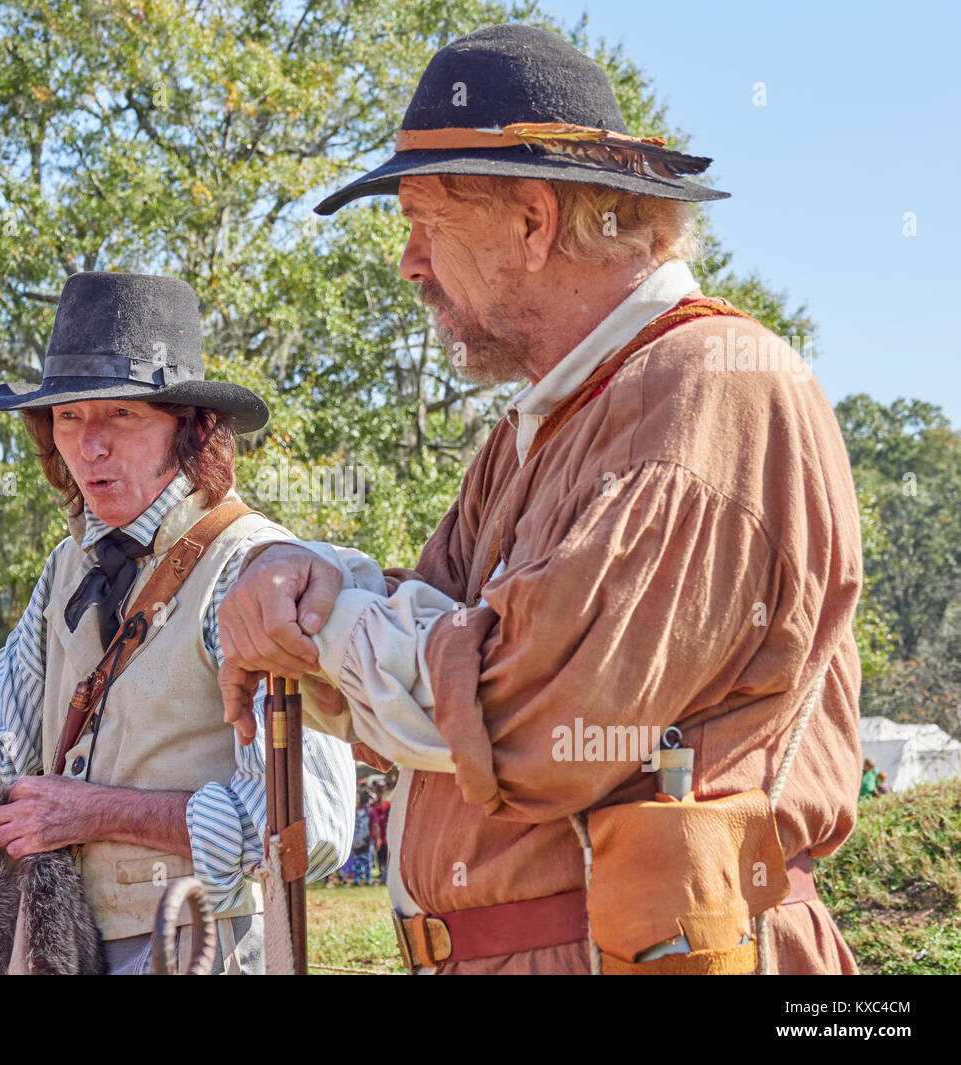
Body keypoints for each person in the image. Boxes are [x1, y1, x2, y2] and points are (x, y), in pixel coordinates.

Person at [217, 24, 863, 975]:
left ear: (532, 219)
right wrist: (305, 584)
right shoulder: (544, 421)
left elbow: (526, 721)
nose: (409, 260)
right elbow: (432, 631)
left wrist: (313, 627)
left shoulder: (716, 384)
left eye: (426, 219)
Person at [0, 272, 355, 974]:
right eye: (68, 417)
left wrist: (99, 812)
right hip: (62, 947)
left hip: (199, 949)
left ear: (191, 428)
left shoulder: (253, 568)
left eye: (121, 414)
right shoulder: (66, 567)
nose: (89, 445)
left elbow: (312, 824)